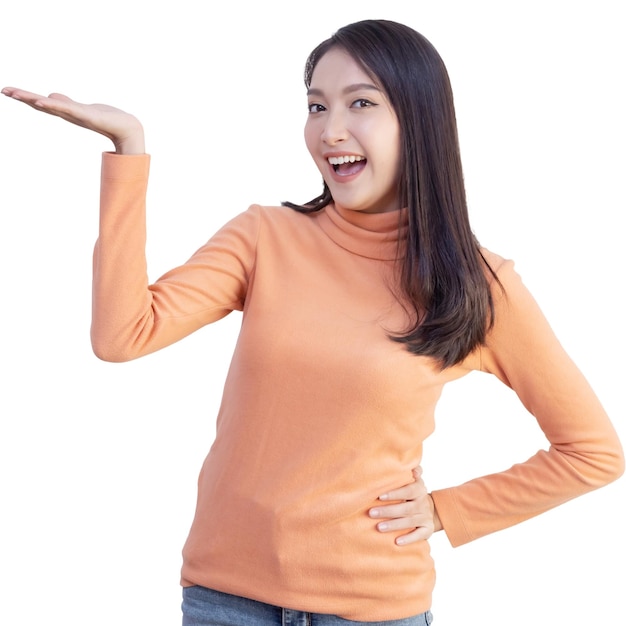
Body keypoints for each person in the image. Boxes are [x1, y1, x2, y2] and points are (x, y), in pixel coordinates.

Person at [2, 18, 623, 626]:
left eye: (360, 103)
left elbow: (593, 452)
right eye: (317, 106)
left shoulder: (478, 284)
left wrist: (446, 511)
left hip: (372, 609)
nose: (331, 130)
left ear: (421, 121)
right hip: (226, 598)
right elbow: (122, 336)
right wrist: (128, 150)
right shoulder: (264, 237)